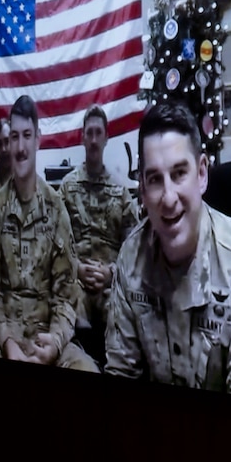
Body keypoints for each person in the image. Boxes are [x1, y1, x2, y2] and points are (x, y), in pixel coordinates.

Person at [105, 101, 231, 396]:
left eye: (179, 173)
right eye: (155, 179)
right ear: (142, 189)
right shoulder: (131, 259)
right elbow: (122, 374)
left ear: (202, 173)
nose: (169, 198)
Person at [0, 96, 97, 371]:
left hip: (48, 335)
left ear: (38, 139)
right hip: (3, 336)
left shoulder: (56, 210)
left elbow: (66, 294)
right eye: (14, 136)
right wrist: (8, 342)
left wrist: (54, 342)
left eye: (26, 136)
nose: (19, 147)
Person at [60, 105, 139, 333]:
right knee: (70, 318)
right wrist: (76, 268)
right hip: (75, 281)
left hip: (111, 284)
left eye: (98, 133)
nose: (94, 140)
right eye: (89, 133)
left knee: (122, 322)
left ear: (106, 138)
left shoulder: (121, 192)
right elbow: (54, 242)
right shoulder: (67, 188)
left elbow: (133, 249)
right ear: (82, 138)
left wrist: (111, 274)